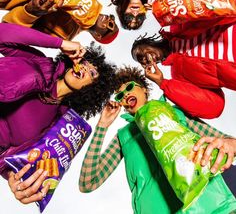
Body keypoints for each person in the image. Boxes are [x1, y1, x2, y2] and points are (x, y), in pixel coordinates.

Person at [79, 66, 236, 213]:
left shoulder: (174, 111)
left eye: (129, 87)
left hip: (215, 201)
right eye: (120, 95)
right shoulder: (124, 136)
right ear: (123, 105)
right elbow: (88, 182)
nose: (125, 94)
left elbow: (227, 141)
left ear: (144, 90)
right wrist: (102, 126)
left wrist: (229, 143)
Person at [0, 22, 117, 203]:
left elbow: (8, 159)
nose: (85, 68)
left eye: (92, 73)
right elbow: (2, 33)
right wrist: (60, 43)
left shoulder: (58, 126)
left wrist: (12, 177)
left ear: (93, 89)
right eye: (85, 63)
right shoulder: (39, 63)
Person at [130, 0, 236, 119]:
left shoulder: (177, 22)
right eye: (142, 62)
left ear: (149, 43)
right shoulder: (178, 77)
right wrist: (163, 84)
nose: (145, 59)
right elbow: (214, 106)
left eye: (141, 54)